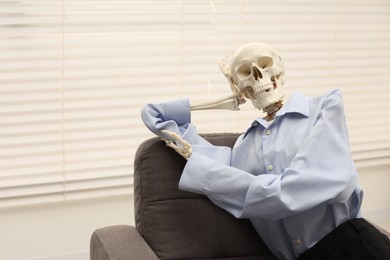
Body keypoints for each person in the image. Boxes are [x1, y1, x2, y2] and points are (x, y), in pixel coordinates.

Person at [141, 42, 390, 260]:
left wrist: (240, 189)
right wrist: (228, 101)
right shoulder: (241, 149)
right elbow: (154, 114)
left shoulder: (325, 108)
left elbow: (305, 188)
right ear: (239, 88)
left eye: (264, 64)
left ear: (280, 70)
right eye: (245, 74)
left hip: (355, 247)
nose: (258, 76)